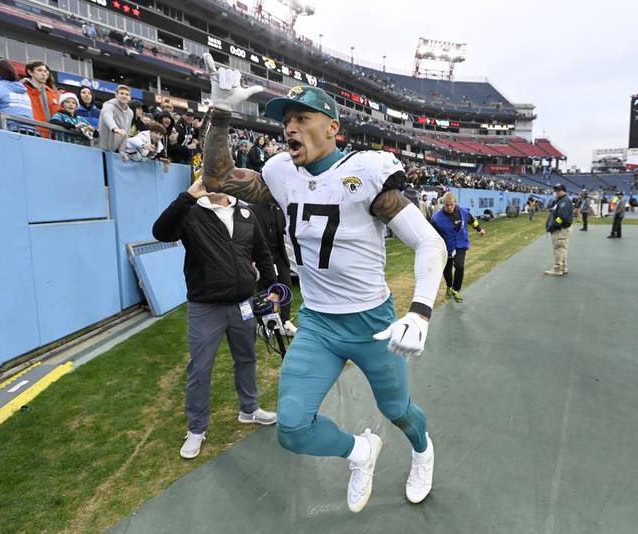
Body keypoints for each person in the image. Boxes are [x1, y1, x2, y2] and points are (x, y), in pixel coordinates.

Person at [200, 54, 446, 512]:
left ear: (333, 128)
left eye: (301, 118)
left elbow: (431, 243)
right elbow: (215, 178)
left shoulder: (366, 172)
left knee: (397, 411)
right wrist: (219, 116)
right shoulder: (279, 173)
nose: (289, 127)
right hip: (317, 323)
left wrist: (420, 310)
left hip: (371, 322)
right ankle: (361, 451)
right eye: (285, 120)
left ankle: (422, 450)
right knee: (292, 427)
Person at [152, 178, 279, 459]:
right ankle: (196, 429)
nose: (217, 183)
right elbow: (160, 232)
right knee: (200, 369)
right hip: (205, 306)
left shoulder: (246, 212)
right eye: (210, 176)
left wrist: (271, 290)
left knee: (247, 358)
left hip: (242, 304)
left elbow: (262, 253)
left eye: (222, 176)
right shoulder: (190, 211)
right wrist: (187, 197)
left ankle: (249, 410)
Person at [249, 200, 298, 336]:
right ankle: (264, 325)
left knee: (286, 287)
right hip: (262, 258)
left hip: (280, 256)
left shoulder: (280, 208)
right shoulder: (252, 208)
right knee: (264, 292)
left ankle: (285, 322)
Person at [431, 191, 485, 302]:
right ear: (443, 203)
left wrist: (479, 229)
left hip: (461, 244)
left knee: (459, 266)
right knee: (447, 268)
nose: (449, 207)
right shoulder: (436, 219)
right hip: (446, 247)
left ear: (455, 202)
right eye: (447, 205)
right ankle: (449, 286)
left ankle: (456, 290)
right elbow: (431, 235)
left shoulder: (464, 212)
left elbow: (473, 221)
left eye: (452, 204)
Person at [544, 183, 574, 276]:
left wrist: (554, 225)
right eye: (555, 190)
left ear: (563, 191)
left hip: (560, 229)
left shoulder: (564, 201)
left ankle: (558, 268)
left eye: (558, 190)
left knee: (559, 248)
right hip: (560, 228)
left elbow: (561, 217)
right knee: (561, 249)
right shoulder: (560, 201)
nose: (556, 192)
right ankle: (563, 267)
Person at [97, 85, 133, 152]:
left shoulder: (130, 113)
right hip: (100, 148)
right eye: (121, 93)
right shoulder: (108, 105)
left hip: (115, 150)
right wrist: (115, 129)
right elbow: (107, 117)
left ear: (130, 97)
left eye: (127, 94)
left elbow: (126, 133)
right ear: (116, 95)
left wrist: (122, 151)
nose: (124, 96)